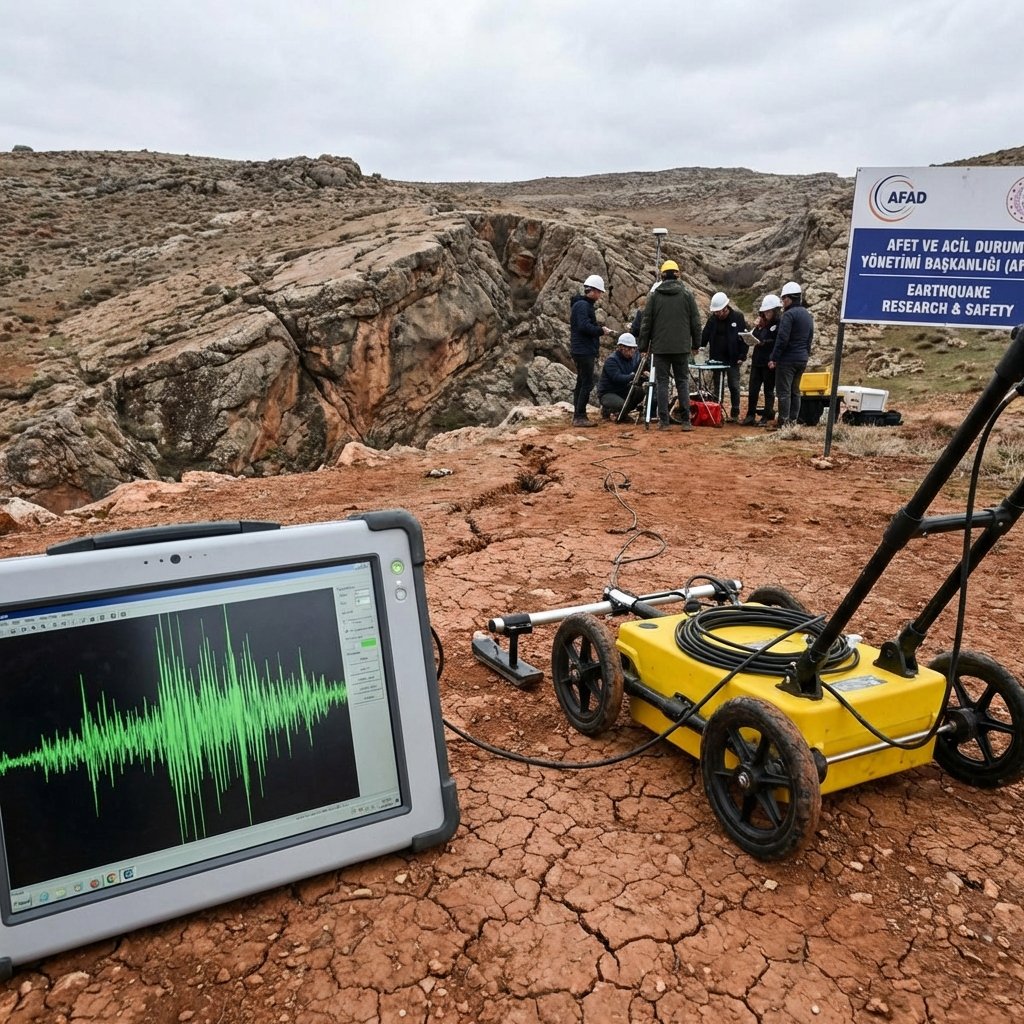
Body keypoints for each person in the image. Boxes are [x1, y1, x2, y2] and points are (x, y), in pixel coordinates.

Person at [637, 260, 701, 431]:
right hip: (681, 348)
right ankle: (686, 421)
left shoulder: (654, 296)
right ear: (677, 274)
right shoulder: (687, 295)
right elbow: (696, 322)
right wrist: (696, 344)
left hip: (660, 348)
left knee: (662, 382)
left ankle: (664, 422)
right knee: (682, 382)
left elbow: (646, 323)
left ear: (662, 275)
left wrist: (643, 346)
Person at [569, 274, 614, 427]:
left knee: (582, 382)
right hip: (583, 350)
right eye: (599, 292)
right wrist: (601, 330)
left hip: (581, 349)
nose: (600, 295)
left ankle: (578, 414)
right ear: (593, 291)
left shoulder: (582, 305)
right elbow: (583, 327)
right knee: (587, 382)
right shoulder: (583, 306)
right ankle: (580, 416)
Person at [768, 281, 815, 428]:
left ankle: (783, 422)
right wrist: (805, 355)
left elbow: (782, 339)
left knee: (784, 392)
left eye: (783, 299)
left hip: (787, 359)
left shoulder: (788, 315)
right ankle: (793, 422)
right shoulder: (807, 315)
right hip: (802, 359)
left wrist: (774, 358)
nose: (782, 302)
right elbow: (809, 338)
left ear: (789, 298)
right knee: (796, 391)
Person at [700, 291, 747, 422]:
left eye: (719, 311)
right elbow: (705, 335)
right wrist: (698, 347)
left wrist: (742, 355)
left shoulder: (738, 317)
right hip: (716, 359)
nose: (717, 314)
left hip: (733, 359)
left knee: (734, 385)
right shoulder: (712, 320)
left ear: (726, 308)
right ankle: (717, 411)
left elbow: (745, 338)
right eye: (715, 312)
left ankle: (735, 412)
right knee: (717, 386)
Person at [742, 294, 780, 425]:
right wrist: (757, 328)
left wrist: (765, 342)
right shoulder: (762, 324)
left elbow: (776, 340)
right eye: (765, 311)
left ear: (775, 310)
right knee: (753, 389)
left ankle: (767, 416)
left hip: (769, 361)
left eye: (769, 311)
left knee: (768, 390)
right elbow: (755, 338)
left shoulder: (779, 323)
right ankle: (750, 415)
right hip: (757, 361)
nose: (766, 313)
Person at [597, 332, 645, 420]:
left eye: (634, 348)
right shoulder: (611, 361)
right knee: (622, 405)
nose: (633, 350)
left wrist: (642, 375)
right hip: (608, 393)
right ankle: (609, 410)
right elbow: (617, 378)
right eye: (630, 348)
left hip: (623, 390)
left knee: (639, 392)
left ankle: (622, 412)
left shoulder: (632, 359)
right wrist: (632, 376)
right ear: (621, 347)